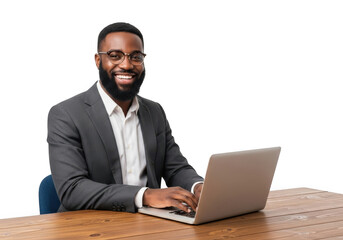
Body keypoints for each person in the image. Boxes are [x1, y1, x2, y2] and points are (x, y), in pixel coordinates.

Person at [47, 22, 203, 214]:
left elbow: (176, 168)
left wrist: (197, 186)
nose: (127, 65)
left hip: (151, 224)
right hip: (88, 226)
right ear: (98, 60)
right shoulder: (66, 115)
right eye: (115, 56)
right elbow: (72, 189)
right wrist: (145, 196)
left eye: (136, 57)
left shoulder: (154, 112)